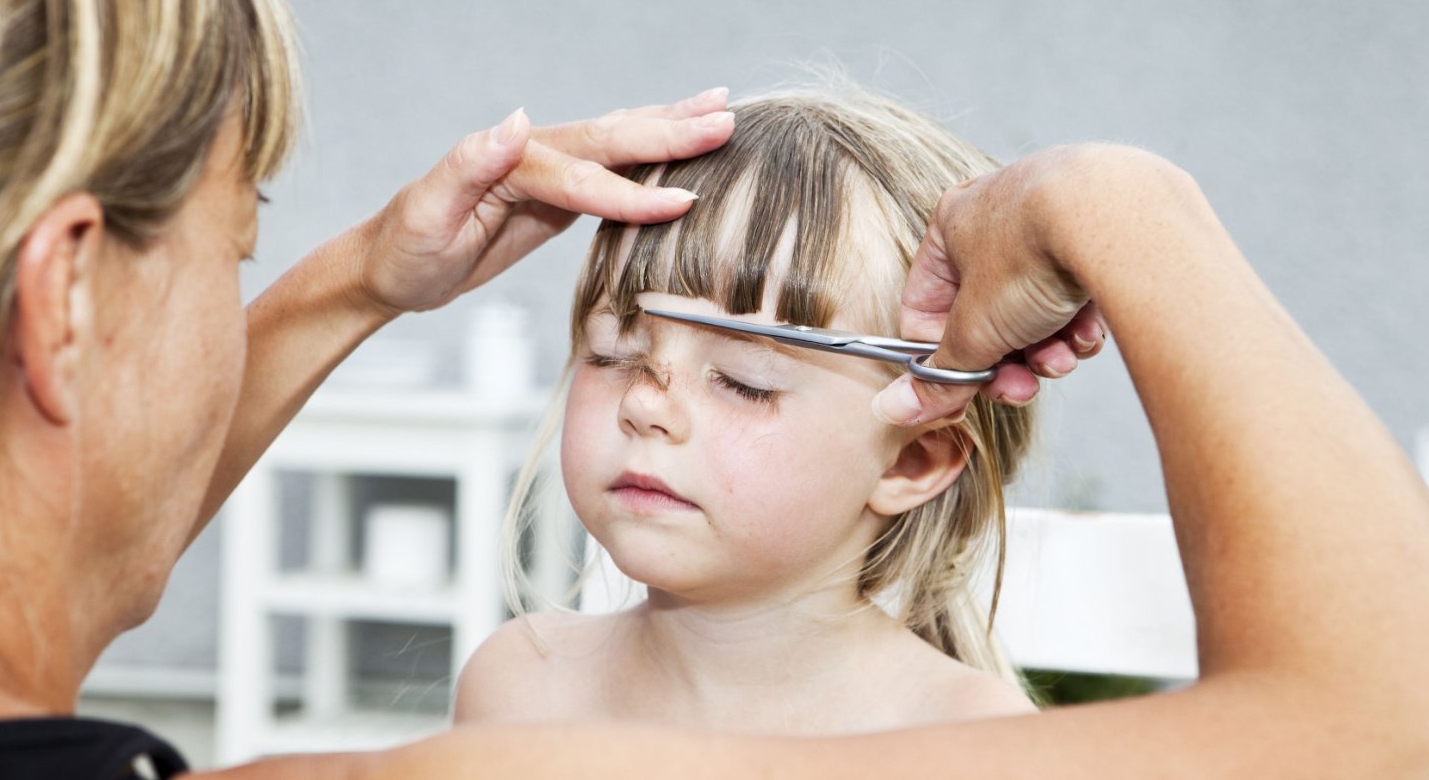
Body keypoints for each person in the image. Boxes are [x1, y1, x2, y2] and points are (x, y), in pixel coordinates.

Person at [0, 0, 1429, 778]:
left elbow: (56, 566)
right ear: (59, 299)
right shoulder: (530, 707)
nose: (655, 407)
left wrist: (350, 280)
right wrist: (1124, 205)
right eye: (612, 354)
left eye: (745, 377)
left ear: (925, 445)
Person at [453, 87, 1065, 731]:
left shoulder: (969, 743)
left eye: (745, 381)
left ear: (911, 459)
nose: (642, 403)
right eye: (612, 353)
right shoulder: (520, 686)